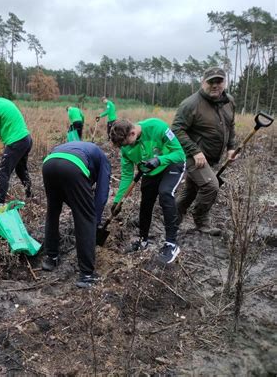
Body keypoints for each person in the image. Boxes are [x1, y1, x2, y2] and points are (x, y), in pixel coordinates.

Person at [110, 118, 185, 264]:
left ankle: (171, 244)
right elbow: (126, 175)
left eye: (126, 144)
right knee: (146, 203)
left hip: (171, 164)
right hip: (150, 170)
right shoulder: (125, 148)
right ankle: (142, 240)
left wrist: (159, 160)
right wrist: (117, 201)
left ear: (132, 133)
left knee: (165, 193)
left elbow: (179, 153)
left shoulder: (157, 127)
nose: (124, 148)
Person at [172, 67, 236, 236]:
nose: (215, 85)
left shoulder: (229, 101)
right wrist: (195, 151)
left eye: (219, 81)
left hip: (211, 157)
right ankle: (201, 221)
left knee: (191, 191)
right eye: (211, 82)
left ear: (225, 82)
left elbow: (230, 126)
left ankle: (172, 221)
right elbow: (177, 130)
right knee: (210, 186)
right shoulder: (190, 104)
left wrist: (231, 148)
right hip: (194, 157)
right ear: (203, 82)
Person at [42, 141, 111, 288]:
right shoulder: (104, 159)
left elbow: (67, 191)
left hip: (49, 163)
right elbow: (102, 193)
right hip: (73, 166)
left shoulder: (81, 147)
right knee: (85, 218)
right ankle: (86, 275)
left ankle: (50, 258)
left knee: (53, 211)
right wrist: (95, 219)